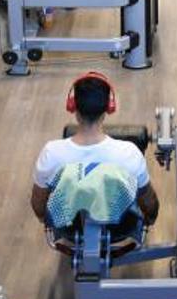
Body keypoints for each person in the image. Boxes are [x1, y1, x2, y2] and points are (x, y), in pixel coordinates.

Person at [31, 73, 159, 226]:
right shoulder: (129, 153)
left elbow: (38, 201)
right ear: (109, 108)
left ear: (73, 106)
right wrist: (150, 219)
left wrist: (44, 219)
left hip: (69, 229)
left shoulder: (51, 153)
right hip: (120, 229)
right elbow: (148, 201)